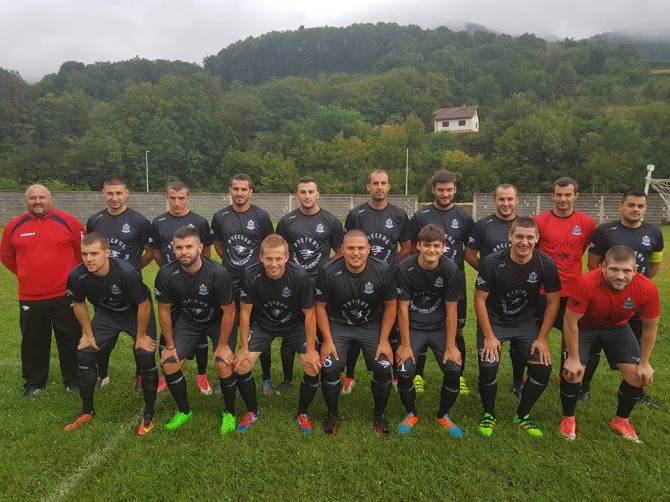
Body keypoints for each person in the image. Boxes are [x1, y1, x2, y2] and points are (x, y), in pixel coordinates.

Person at [560, 246, 660, 442]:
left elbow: (650, 328)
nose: (620, 276)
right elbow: (570, 321)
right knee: (573, 372)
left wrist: (645, 362)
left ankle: (621, 421)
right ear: (603, 266)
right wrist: (573, 358)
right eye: (614, 269)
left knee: (639, 376)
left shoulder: (647, 287)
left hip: (617, 328)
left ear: (635, 270)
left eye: (626, 270)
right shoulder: (586, 282)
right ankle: (568, 418)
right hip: (584, 327)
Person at [63, 233, 158, 435]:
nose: (89, 259)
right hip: (108, 314)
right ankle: (86, 410)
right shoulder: (77, 275)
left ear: (107, 253)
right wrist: (88, 334)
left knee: (146, 355)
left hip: (135, 313)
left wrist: (141, 336)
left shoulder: (126, 273)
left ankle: (149, 413)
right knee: (86, 354)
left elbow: (144, 304)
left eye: (94, 254)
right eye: (85, 254)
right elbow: (78, 303)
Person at [474, 217, 561, 438]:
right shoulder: (492, 262)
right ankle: (488, 413)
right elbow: (479, 300)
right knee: (488, 366)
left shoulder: (546, 264)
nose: (524, 242)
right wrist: (489, 336)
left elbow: (553, 303)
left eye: (530, 237)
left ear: (537, 238)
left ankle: (522, 415)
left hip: (525, 323)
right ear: (510, 236)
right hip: (494, 322)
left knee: (543, 368)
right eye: (519, 236)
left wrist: (542, 338)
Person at [232, 235, 322, 434]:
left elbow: (310, 315)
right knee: (242, 365)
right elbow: (245, 313)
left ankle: (303, 414)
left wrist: (311, 350)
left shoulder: (300, 276)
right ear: (261, 257)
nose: (274, 264)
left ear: (287, 257)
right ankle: (252, 411)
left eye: (279, 258)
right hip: (263, 325)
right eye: (269, 259)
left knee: (312, 366)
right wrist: (244, 347)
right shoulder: (250, 274)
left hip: (294, 325)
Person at [1, 184, 84, 397]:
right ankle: (35, 382)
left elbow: (81, 253)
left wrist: (70, 278)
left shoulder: (69, 222)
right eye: (32, 198)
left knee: (70, 337)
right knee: (33, 340)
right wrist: (27, 273)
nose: (37, 201)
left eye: (42, 197)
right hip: (30, 296)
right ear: (26, 201)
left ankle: (73, 380)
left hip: (64, 294)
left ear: (50, 199)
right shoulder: (14, 226)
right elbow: (7, 257)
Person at [585, 190, 664, 407]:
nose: (635, 209)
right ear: (621, 206)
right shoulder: (605, 231)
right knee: (593, 345)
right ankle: (584, 387)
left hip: (636, 300)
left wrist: (634, 288)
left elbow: (654, 265)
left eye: (640, 206)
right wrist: (611, 288)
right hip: (605, 298)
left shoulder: (654, 232)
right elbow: (593, 264)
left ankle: (636, 390)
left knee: (637, 346)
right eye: (631, 205)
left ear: (645, 209)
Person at [316, 230, 397, 437]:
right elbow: (320, 307)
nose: (356, 253)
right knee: (330, 366)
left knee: (383, 366)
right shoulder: (327, 271)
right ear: (342, 249)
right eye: (350, 248)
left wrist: (384, 340)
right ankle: (332, 415)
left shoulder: (383, 269)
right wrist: (327, 340)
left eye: (361, 248)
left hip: (371, 324)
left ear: (369, 249)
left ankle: (379, 415)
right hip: (339, 324)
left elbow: (391, 306)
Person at [155, 226, 236, 431]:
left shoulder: (218, 273)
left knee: (223, 364)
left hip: (218, 322)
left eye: (189, 247)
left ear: (200, 247)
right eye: (179, 247)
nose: (184, 252)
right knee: (169, 364)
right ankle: (184, 411)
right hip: (190, 321)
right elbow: (164, 311)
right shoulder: (166, 273)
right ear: (173, 249)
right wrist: (170, 346)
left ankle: (230, 412)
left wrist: (223, 345)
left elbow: (229, 312)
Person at [341, 169, 411, 394]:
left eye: (383, 183)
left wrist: (388, 267)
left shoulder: (399, 214)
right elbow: (349, 244)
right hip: (359, 279)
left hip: (388, 280)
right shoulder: (356, 214)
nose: (379, 187)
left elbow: (407, 247)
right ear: (368, 187)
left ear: (389, 186)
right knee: (354, 322)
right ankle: (349, 376)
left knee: (391, 327)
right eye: (375, 183)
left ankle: (395, 376)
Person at [275, 177, 342, 395]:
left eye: (311, 191)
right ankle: (288, 379)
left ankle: (323, 375)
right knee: (289, 333)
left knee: (323, 332)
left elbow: (340, 252)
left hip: (321, 285)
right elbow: (278, 251)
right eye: (303, 192)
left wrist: (325, 270)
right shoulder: (287, 221)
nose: (307, 196)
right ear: (297, 195)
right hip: (293, 285)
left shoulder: (330, 221)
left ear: (317, 194)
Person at [395, 224, 464, 436]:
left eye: (436, 246)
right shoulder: (405, 268)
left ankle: (444, 415)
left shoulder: (451, 269)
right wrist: (405, 345)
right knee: (404, 370)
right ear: (418, 246)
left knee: (454, 369)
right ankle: (411, 413)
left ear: (443, 247)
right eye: (427, 245)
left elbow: (452, 310)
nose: (431, 250)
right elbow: (402, 309)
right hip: (413, 327)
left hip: (439, 328)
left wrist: (451, 346)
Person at [409, 170, 474, 395]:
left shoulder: (464, 218)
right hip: (423, 284)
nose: (445, 194)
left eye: (449, 190)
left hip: (454, 282)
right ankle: (418, 375)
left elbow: (470, 250)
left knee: (457, 331)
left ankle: (459, 374)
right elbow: (412, 249)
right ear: (433, 190)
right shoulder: (420, 216)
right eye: (440, 190)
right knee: (420, 326)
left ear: (455, 190)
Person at [87, 177, 154, 389]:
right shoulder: (95, 220)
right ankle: (102, 374)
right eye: (110, 193)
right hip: (103, 290)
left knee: (140, 336)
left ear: (127, 193)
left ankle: (140, 375)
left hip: (132, 290)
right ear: (103, 193)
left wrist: (131, 270)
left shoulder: (140, 221)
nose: (114, 198)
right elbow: (91, 250)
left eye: (118, 193)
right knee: (103, 337)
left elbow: (150, 252)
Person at [211, 174, 275, 394]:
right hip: (228, 282)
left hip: (256, 282)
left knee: (260, 328)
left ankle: (266, 377)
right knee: (228, 329)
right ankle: (225, 375)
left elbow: (268, 246)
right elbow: (219, 245)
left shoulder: (261, 216)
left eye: (244, 189)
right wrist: (232, 263)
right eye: (235, 189)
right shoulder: (220, 216)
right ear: (230, 190)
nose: (239, 193)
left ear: (250, 192)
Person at [150, 181, 214, 395]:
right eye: (172, 198)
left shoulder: (200, 221)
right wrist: (169, 273)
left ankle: (202, 375)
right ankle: (166, 373)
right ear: (167, 198)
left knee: (200, 327)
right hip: (171, 284)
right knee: (167, 328)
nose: (176, 202)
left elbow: (206, 253)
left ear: (188, 198)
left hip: (196, 284)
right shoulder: (158, 222)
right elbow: (156, 252)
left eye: (181, 198)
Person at [534, 177, 595, 396]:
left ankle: (563, 372)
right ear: (552, 196)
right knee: (537, 332)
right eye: (559, 194)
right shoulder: (540, 221)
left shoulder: (587, 222)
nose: (563, 199)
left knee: (570, 333)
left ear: (576, 196)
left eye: (568, 194)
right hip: (544, 290)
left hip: (573, 289)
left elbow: (582, 247)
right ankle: (532, 370)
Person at [465, 184, 522, 397]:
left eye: (510, 199)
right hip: (490, 293)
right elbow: (469, 255)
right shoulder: (482, 225)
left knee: (520, 341)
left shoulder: (525, 225)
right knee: (486, 336)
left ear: (517, 200)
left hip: (520, 293)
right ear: (494, 201)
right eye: (501, 199)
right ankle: (485, 381)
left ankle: (518, 381)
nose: (506, 203)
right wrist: (490, 273)